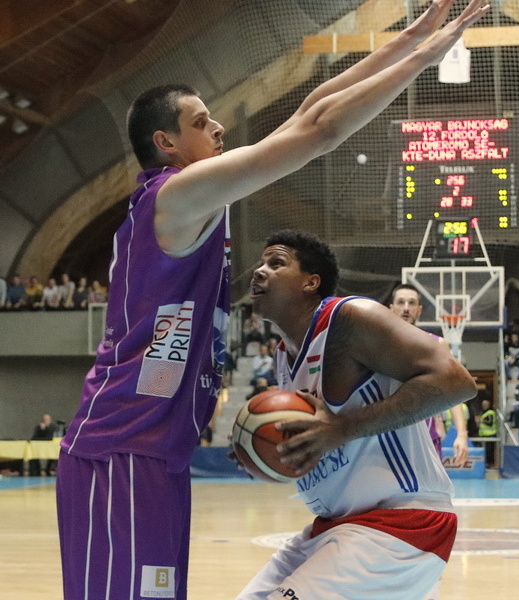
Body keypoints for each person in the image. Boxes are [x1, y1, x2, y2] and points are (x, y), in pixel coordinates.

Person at [56, 1, 489, 599]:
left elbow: (310, 112)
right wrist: (422, 58)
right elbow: (319, 131)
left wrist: (408, 37)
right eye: (202, 121)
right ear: (166, 143)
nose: (219, 128)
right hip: (122, 443)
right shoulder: (173, 195)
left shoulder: (196, 202)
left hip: (156, 450)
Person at [235, 229, 477, 600]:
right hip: (334, 527)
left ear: (311, 282)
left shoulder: (349, 318)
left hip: (402, 525)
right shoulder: (284, 355)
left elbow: (457, 382)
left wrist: (341, 428)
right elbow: (319, 441)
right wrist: (267, 451)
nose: (259, 271)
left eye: (276, 263)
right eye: (261, 262)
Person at [389, 283, 469, 466]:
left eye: (412, 303)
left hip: (426, 438)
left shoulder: (436, 344)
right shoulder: (377, 345)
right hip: (388, 436)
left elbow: (452, 390)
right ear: (391, 308)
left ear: (419, 310)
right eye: (401, 302)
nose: (406, 308)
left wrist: (462, 434)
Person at [477, 398, 497, 467]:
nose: (484, 406)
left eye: (485, 404)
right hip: (484, 435)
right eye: (483, 404)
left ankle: (489, 463)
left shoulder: (490, 412)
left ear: (488, 405)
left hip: (490, 434)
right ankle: (485, 463)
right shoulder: (483, 412)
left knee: (489, 451)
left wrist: (481, 420)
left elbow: (490, 423)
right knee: (484, 450)